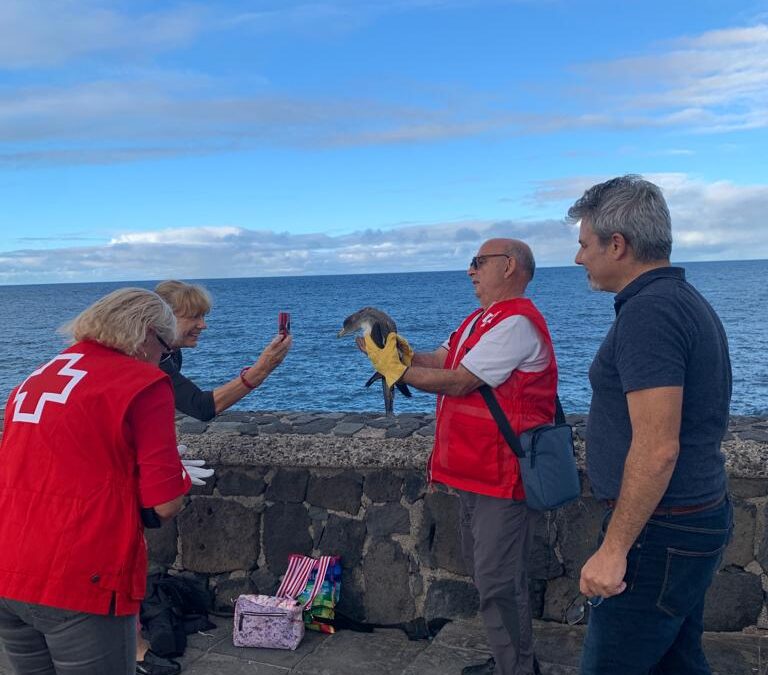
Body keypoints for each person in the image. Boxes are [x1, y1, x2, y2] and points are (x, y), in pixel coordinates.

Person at [361, 238, 555, 675]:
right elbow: (442, 360)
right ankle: (512, 661)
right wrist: (400, 353)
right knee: (491, 576)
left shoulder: (516, 323)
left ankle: (518, 669)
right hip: (475, 472)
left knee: (499, 581)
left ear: (508, 267)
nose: (470, 271)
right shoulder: (479, 321)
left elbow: (461, 382)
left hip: (502, 475)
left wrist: (395, 370)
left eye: (477, 262)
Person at [569, 175, 733, 674]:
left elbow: (658, 446)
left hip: (660, 532)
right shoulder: (681, 300)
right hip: (687, 520)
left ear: (617, 244)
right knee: (677, 664)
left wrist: (614, 549)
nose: (579, 259)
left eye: (584, 245)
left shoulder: (651, 313)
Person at [0, 288, 192, 675]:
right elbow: (166, 503)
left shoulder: (36, 377)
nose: (164, 358)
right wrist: (178, 473)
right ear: (146, 334)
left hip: (9, 566)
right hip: (82, 575)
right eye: (165, 348)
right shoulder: (142, 383)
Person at [154, 280, 292, 421]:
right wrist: (262, 369)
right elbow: (200, 407)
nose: (203, 325)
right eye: (194, 317)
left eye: (203, 316)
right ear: (164, 319)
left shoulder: (170, 352)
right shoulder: (150, 358)